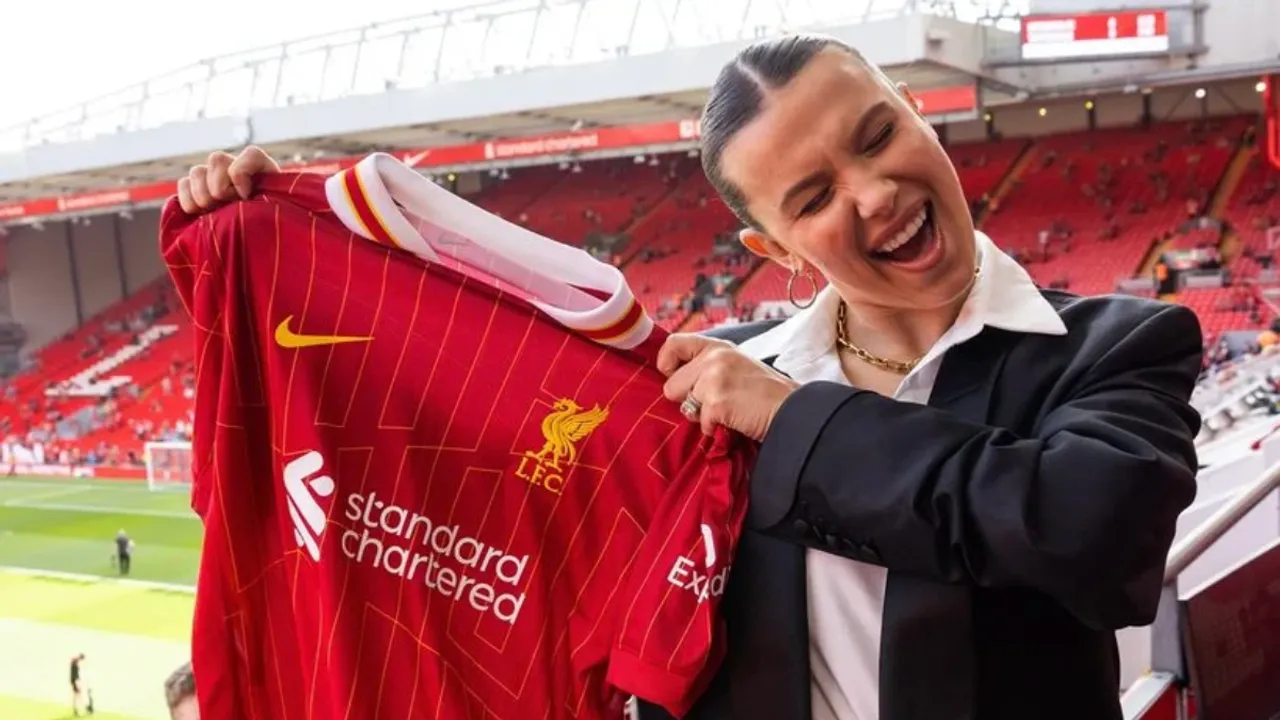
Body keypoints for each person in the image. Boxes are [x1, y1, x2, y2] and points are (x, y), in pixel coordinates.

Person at [175, 34, 1201, 720]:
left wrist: (795, 420)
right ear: (777, 246)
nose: (875, 190)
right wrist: (278, 229)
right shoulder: (708, 392)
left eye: (878, 134)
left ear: (921, 117)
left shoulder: (1117, 343)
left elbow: (1094, 534)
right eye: (812, 195)